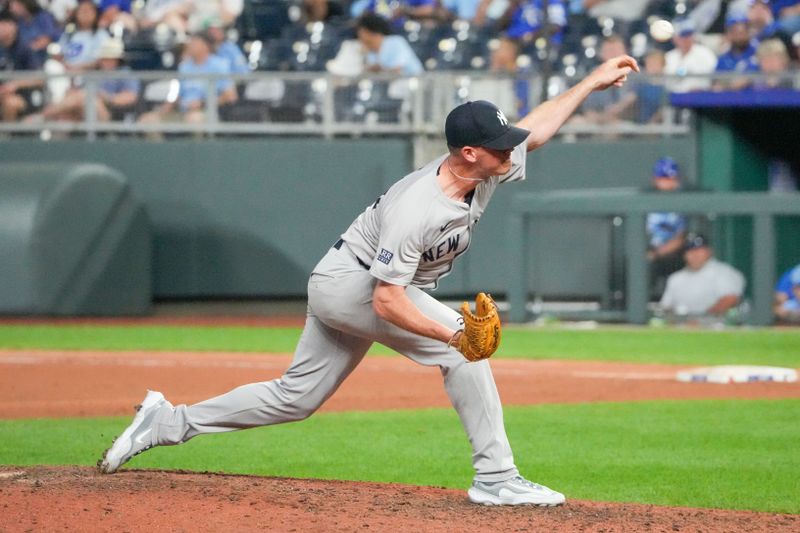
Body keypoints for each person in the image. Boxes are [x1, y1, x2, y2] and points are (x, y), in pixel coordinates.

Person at [98, 51, 641, 507]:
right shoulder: (419, 208)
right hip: (356, 286)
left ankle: (168, 422)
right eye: (501, 144)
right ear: (469, 152)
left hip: (350, 279)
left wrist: (591, 82)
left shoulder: (483, 167)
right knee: (464, 352)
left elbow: (538, 129)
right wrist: (454, 335)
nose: (512, 149)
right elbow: (386, 301)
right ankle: (496, 479)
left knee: (296, 397)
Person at [34, 38, 139, 122]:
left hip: (109, 114)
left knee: (84, 96)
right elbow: (78, 92)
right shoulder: (95, 73)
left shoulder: (125, 73)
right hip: (82, 110)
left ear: (118, 60)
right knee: (66, 116)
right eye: (104, 57)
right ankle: (57, 145)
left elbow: (130, 97)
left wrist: (106, 97)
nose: (106, 61)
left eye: (110, 58)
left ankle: (41, 116)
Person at [659, 233, 746, 318]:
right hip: (681, 327)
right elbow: (665, 307)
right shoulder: (675, 278)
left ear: (709, 251)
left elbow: (730, 299)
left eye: (699, 250)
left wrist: (702, 321)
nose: (694, 254)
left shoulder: (724, 272)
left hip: (719, 327)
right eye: (690, 251)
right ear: (684, 255)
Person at [646, 157, 688, 293]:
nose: (667, 182)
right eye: (663, 177)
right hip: (649, 251)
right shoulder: (646, 199)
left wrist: (657, 253)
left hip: (675, 255)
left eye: (671, 178)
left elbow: (682, 237)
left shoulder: (684, 201)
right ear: (655, 179)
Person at [0, 16, 45, 122]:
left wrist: (15, 85)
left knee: (11, 103)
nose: (2, 28)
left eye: (5, 23)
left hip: (24, 97)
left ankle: (6, 136)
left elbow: (39, 79)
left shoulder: (25, 49)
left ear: (14, 26)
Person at [356, 13, 423, 76]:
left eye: (362, 31)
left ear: (370, 31)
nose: (359, 35)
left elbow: (397, 71)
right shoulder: (370, 51)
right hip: (390, 85)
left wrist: (377, 69)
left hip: (415, 82)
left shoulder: (396, 42)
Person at [664, 19, 718, 92]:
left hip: (699, 97)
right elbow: (666, 81)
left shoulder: (705, 53)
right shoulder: (669, 57)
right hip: (674, 97)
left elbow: (711, 78)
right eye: (683, 36)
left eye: (689, 35)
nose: (686, 39)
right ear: (675, 39)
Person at [57, 0, 109, 71]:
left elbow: (103, 60)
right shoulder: (69, 33)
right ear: (76, 14)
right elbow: (60, 54)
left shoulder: (101, 35)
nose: (85, 14)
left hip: (90, 74)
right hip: (67, 73)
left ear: (96, 14)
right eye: (82, 11)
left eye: (88, 11)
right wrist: (66, 66)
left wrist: (79, 68)